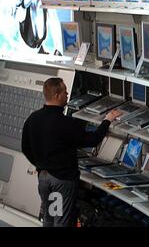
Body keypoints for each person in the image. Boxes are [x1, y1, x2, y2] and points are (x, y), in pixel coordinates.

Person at [21, 77, 122, 227]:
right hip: (61, 180)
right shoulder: (65, 123)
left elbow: (25, 147)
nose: (67, 94)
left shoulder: (33, 118)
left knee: (49, 220)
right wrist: (107, 120)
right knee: (61, 222)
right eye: (65, 92)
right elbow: (92, 140)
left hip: (44, 177)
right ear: (56, 95)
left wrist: (41, 165)